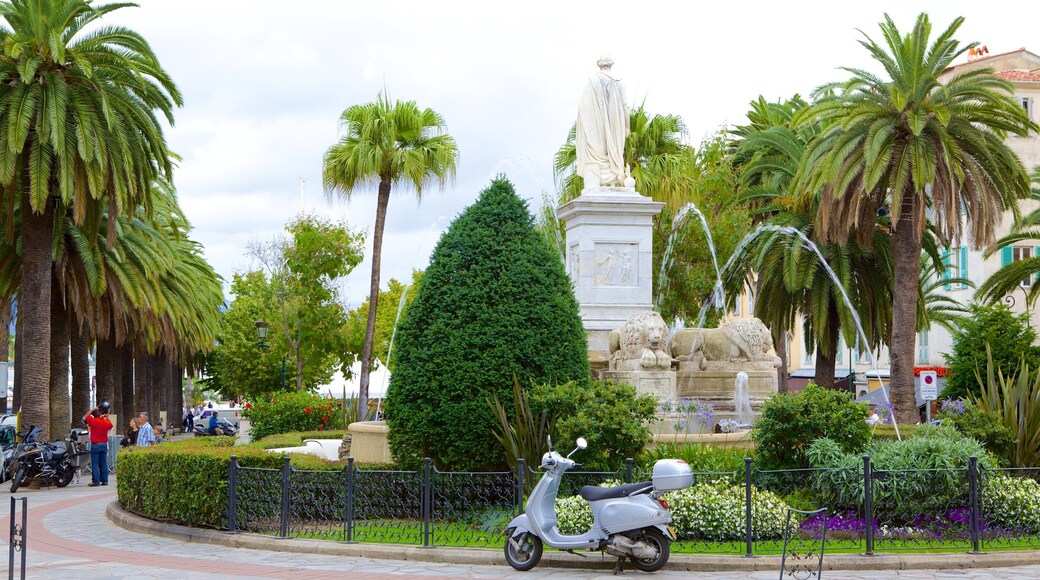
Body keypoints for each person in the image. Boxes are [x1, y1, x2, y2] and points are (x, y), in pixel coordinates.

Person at [576, 55, 630, 188]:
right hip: (615, 126)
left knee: (598, 150)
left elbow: (583, 109)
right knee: (614, 150)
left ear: (599, 65)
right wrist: (627, 127)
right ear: (611, 65)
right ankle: (614, 177)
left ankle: (602, 181)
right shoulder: (619, 82)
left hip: (596, 126)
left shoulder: (591, 81)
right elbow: (625, 107)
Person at [83, 402, 113, 487]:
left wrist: (93, 409)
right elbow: (110, 425)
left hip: (95, 444)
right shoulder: (106, 422)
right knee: (104, 463)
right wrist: (106, 417)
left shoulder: (93, 421)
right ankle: (105, 480)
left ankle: (96, 481)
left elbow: (86, 417)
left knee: (95, 463)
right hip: (104, 444)